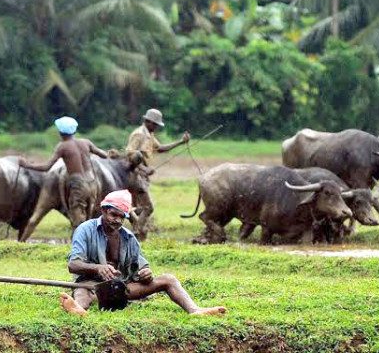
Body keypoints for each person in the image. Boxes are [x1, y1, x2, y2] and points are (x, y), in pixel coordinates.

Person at [60, 189, 227, 316]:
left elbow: (141, 268)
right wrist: (97, 268)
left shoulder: (128, 238)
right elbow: (73, 264)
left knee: (168, 279)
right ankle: (79, 310)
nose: (117, 220)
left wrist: (145, 274)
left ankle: (194, 310)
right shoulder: (85, 230)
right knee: (83, 292)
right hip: (92, 285)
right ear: (104, 210)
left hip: (123, 287)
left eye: (121, 217)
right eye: (113, 215)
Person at [20, 116, 108, 227]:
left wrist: (26, 165)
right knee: (89, 216)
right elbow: (104, 155)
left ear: (60, 132)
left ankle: (80, 242)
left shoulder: (62, 146)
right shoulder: (85, 142)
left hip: (79, 185)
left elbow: (47, 167)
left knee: (78, 220)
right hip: (93, 184)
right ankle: (89, 241)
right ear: (74, 130)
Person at [124, 108, 190, 238]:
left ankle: (138, 229)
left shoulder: (149, 134)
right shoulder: (139, 134)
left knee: (139, 208)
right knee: (148, 207)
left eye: (157, 125)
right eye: (154, 124)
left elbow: (160, 148)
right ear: (147, 121)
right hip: (135, 175)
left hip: (142, 176)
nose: (156, 127)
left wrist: (181, 142)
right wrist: (144, 169)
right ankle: (137, 232)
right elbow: (129, 154)